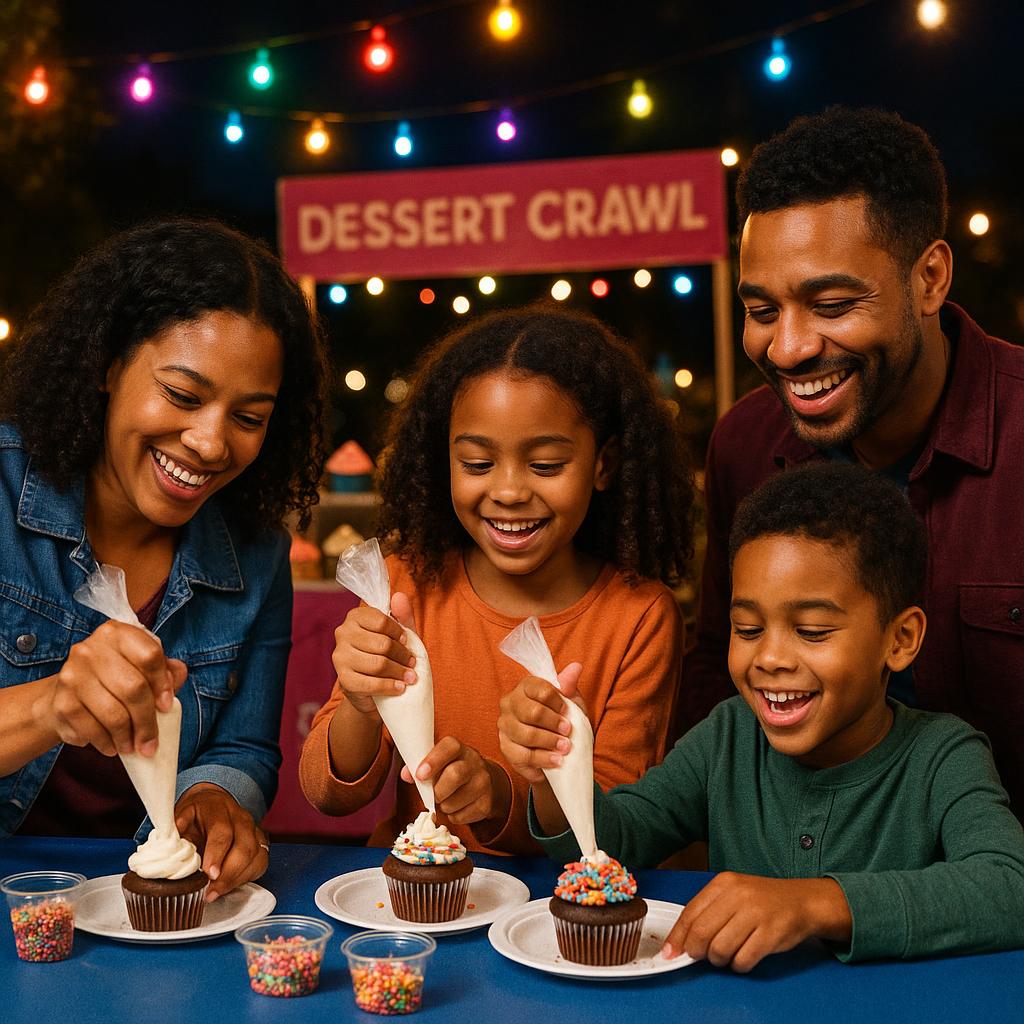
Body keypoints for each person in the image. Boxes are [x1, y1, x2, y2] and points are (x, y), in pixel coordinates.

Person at [500, 462, 1024, 970]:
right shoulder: (727, 737)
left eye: (813, 631)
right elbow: (613, 842)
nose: (769, 657)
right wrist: (556, 768)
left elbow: (1010, 889)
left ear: (900, 639)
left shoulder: (944, 755)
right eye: (748, 629)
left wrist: (813, 903)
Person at [680, 106, 1024, 816]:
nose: (789, 349)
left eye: (831, 303)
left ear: (929, 277)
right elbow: (716, 671)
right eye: (764, 311)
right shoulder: (744, 445)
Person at [0, 219, 329, 899]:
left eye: (248, 417)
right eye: (183, 395)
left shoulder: (257, 554)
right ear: (108, 364)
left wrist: (212, 798)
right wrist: (52, 706)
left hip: (146, 912)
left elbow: (243, 749)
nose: (210, 444)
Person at [299, 306, 695, 855]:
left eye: (547, 465)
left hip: (553, 918)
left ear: (603, 465)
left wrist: (505, 796)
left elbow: (613, 837)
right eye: (478, 465)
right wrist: (361, 707)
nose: (508, 491)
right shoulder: (405, 586)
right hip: (410, 910)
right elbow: (328, 792)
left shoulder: (638, 616)